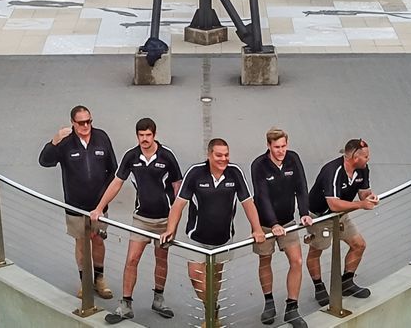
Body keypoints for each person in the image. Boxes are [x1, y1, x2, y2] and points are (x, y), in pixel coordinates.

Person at [88, 118, 182, 323]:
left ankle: (158, 299)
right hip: (141, 219)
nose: (145, 139)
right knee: (131, 260)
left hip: (164, 221)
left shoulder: (167, 157)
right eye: (141, 135)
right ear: (137, 136)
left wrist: (174, 223)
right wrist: (98, 208)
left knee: (161, 259)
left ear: (154, 135)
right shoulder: (131, 157)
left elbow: (178, 189)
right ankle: (125, 304)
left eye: (148, 135)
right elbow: (116, 183)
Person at [161, 139, 264, 305]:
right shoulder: (195, 173)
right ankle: (211, 308)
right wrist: (170, 230)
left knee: (215, 280)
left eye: (226, 155)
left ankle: (211, 315)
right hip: (197, 239)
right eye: (218, 155)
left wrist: (257, 229)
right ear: (209, 155)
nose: (223, 159)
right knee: (196, 276)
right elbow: (178, 204)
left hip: (223, 239)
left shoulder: (235, 173)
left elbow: (248, 203)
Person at [38, 105, 118, 299]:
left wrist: (103, 198)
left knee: (98, 241)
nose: (86, 126)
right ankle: (84, 282)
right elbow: (45, 161)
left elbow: (113, 169)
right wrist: (54, 141)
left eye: (89, 121)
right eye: (81, 122)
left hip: (99, 206)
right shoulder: (66, 142)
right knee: (81, 243)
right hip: (75, 206)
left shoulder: (102, 137)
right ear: (73, 123)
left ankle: (99, 279)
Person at [250, 128, 312, 326]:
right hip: (265, 223)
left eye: (284, 146)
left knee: (297, 260)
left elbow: (301, 186)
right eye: (276, 147)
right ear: (268, 146)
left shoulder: (293, 159)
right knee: (265, 260)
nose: (281, 151)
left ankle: (292, 308)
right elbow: (262, 197)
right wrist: (273, 224)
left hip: (288, 221)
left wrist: (304, 213)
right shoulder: (258, 165)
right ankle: (269, 303)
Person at [305, 138, 378, 307]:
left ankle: (347, 282)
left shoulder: (363, 169)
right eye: (366, 156)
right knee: (316, 251)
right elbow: (333, 204)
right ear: (354, 157)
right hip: (321, 217)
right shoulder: (333, 171)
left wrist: (370, 198)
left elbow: (363, 193)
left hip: (342, 214)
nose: (369, 158)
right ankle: (319, 287)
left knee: (359, 245)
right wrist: (361, 205)